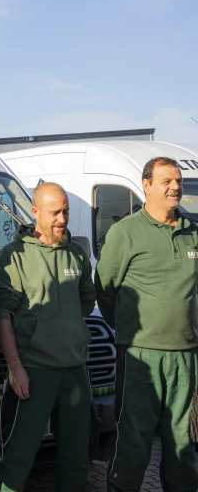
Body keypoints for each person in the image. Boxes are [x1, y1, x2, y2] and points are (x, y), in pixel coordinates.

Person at [0, 182, 95, 491]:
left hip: (74, 370)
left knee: (76, 457)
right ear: (35, 212)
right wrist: (16, 368)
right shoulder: (13, 256)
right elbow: (1, 316)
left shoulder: (76, 253)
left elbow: (85, 304)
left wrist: (63, 329)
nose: (62, 219)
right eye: (55, 212)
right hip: (33, 371)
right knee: (15, 456)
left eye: (67, 211)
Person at [97, 157, 198, 491]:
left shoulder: (192, 232)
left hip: (186, 354)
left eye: (178, 180)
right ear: (147, 186)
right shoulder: (125, 232)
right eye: (166, 180)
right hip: (140, 355)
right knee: (134, 441)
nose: (175, 187)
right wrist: (130, 331)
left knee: (182, 441)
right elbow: (106, 291)